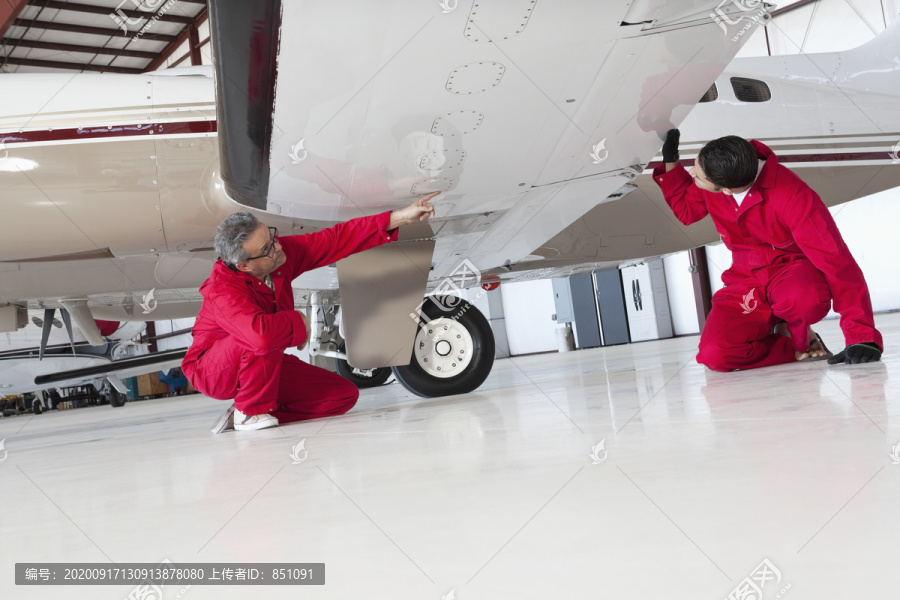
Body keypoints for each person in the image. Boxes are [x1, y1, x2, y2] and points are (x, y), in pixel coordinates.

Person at [183, 192, 438, 432]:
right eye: (267, 249)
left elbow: (335, 239)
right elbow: (259, 337)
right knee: (260, 334)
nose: (278, 247)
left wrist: (402, 217)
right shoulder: (223, 289)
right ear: (244, 266)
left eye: (272, 237)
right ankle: (250, 411)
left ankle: (243, 411)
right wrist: (299, 322)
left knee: (342, 396)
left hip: (261, 363)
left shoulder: (278, 257)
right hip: (212, 371)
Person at [653, 129, 883, 371]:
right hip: (745, 276)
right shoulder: (723, 168)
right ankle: (792, 347)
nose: (692, 175)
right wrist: (671, 159)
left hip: (791, 269)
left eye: (697, 177)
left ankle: (795, 327)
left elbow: (836, 262)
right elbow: (687, 211)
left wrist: (862, 336)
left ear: (728, 191)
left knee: (807, 300)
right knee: (714, 355)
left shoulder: (794, 196)